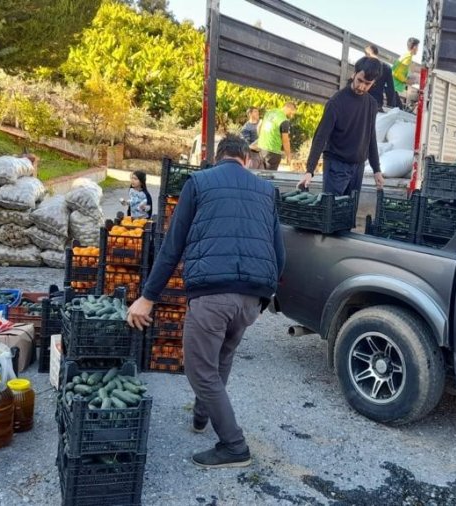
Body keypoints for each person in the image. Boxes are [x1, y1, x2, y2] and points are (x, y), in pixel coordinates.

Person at [127, 134, 284, 469]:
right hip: (251, 297)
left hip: (213, 293)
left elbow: (173, 245)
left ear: (217, 157)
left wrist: (148, 297)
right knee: (222, 358)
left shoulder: (198, 183)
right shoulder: (267, 191)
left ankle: (234, 445)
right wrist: (265, 296)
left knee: (200, 370)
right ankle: (201, 415)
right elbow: (278, 252)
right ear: (246, 159)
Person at [300, 57, 386, 196]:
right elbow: (321, 137)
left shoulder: (371, 104)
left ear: (373, 83)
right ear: (354, 74)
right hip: (336, 167)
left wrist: (376, 169)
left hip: (358, 168)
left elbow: (370, 137)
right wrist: (309, 170)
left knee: (349, 214)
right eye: (359, 80)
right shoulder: (336, 102)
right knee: (332, 213)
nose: (361, 86)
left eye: (367, 84)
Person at [256, 102, 296, 170]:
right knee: (269, 176)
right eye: (292, 112)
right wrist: (288, 156)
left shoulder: (269, 112)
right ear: (289, 108)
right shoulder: (283, 120)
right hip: (273, 151)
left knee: (260, 174)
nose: (292, 115)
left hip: (261, 148)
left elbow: (259, 126)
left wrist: (261, 139)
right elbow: (285, 141)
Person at [364, 44, 398, 110]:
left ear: (367, 54)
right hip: (377, 102)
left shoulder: (364, 64)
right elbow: (390, 88)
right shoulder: (386, 67)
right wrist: (390, 106)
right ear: (376, 53)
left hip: (363, 100)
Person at [392, 37, 420, 108]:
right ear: (414, 47)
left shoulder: (406, 56)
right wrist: (406, 81)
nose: (418, 49)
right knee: (398, 108)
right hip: (394, 86)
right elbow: (397, 73)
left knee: (398, 108)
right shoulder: (407, 58)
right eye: (417, 47)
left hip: (393, 86)